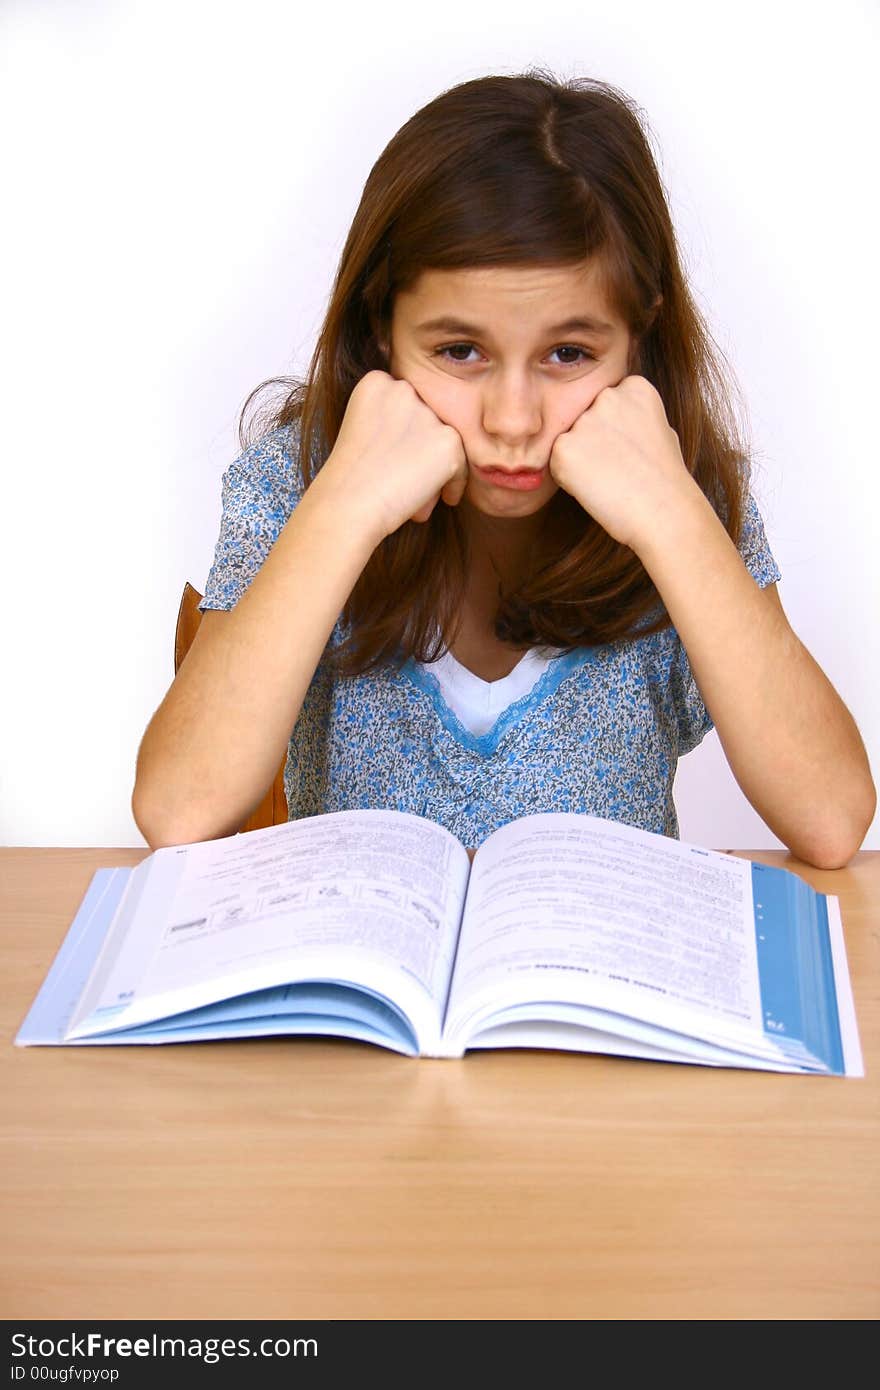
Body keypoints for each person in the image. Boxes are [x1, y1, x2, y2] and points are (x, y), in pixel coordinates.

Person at [132, 69, 875, 867]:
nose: (512, 420)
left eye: (569, 354)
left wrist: (674, 522)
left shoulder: (680, 494)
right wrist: (344, 506)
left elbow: (831, 821)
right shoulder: (300, 481)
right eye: (459, 351)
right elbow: (179, 809)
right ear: (381, 327)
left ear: (639, 341)